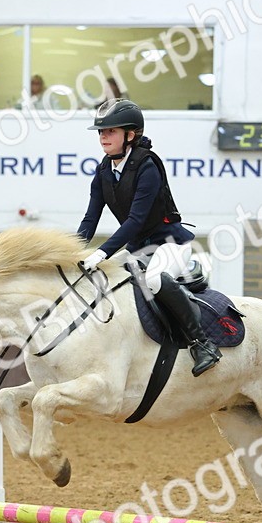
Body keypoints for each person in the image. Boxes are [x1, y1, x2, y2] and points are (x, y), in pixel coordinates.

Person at [77, 99, 221, 376]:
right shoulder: (104, 170)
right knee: (102, 280)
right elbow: (90, 217)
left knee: (155, 280)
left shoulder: (148, 166)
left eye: (110, 131)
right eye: (101, 132)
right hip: (139, 248)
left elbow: (136, 221)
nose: (103, 137)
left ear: (130, 135)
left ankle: (202, 343)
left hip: (170, 244)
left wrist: (101, 253)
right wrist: (75, 251)